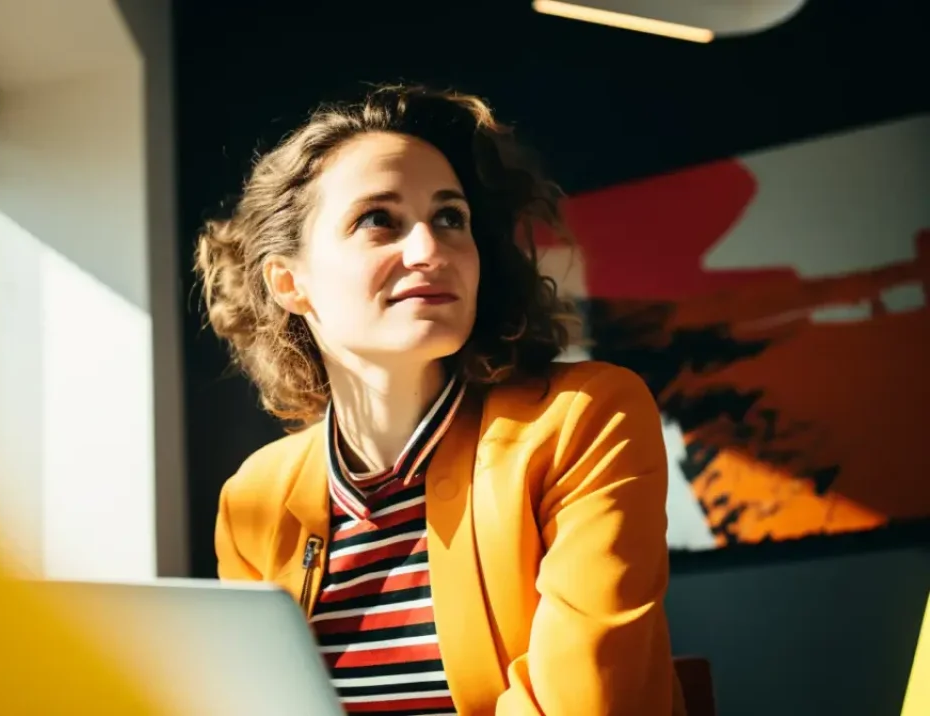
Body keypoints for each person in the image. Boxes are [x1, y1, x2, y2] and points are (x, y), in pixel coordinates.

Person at [195, 85, 684, 715]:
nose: (431, 250)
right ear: (291, 282)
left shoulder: (585, 419)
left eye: (450, 218)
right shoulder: (253, 498)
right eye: (379, 220)